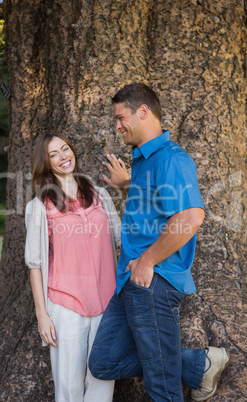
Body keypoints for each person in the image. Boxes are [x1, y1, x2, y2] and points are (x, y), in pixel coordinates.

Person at [89, 83, 230, 402]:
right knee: (103, 362)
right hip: (128, 281)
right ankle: (199, 364)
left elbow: (191, 217)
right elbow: (154, 210)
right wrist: (129, 185)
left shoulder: (170, 159)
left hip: (152, 282)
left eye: (120, 117)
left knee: (162, 387)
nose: (117, 126)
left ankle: (188, 365)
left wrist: (148, 261)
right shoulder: (142, 162)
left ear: (143, 112)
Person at [25, 133, 121, 402]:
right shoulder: (39, 207)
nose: (63, 156)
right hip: (66, 308)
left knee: (102, 382)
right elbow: (35, 264)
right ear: (46, 164)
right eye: (53, 154)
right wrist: (42, 315)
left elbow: (121, 240)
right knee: (68, 387)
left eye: (65, 149)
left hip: (106, 304)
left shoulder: (100, 195)